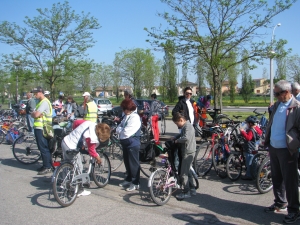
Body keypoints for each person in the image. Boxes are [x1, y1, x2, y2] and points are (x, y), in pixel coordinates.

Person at [264, 80, 300, 224]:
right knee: (276, 177)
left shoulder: (297, 107)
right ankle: (280, 202)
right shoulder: (278, 105)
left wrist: (295, 143)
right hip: (274, 147)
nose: (276, 96)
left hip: (287, 149)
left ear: (286, 92)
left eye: (277, 93)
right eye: (275, 93)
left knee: (290, 181)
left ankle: (294, 210)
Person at [61, 119, 110, 196]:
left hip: (65, 141)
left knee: (67, 165)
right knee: (79, 168)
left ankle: (65, 184)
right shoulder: (92, 137)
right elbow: (91, 151)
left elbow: (76, 122)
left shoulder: (90, 123)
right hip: (71, 146)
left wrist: (77, 134)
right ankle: (79, 190)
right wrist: (98, 158)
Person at [116, 99, 141, 192]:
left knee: (133, 164)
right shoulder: (127, 116)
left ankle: (135, 182)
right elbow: (119, 127)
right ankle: (129, 178)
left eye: (124, 109)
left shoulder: (135, 117)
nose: (123, 111)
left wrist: (120, 130)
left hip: (132, 144)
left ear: (129, 108)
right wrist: (120, 130)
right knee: (127, 163)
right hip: (125, 143)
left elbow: (126, 132)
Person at [172, 112, 197, 200]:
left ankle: (187, 192)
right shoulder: (186, 126)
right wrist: (176, 137)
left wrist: (177, 141)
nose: (177, 125)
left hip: (188, 152)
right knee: (188, 172)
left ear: (181, 120)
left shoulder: (188, 127)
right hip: (188, 151)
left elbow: (186, 137)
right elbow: (183, 134)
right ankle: (192, 188)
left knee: (183, 173)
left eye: (177, 123)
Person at [30, 86, 53, 175]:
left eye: (35, 93)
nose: (35, 95)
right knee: (42, 147)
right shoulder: (41, 102)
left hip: (43, 128)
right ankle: (46, 165)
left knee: (43, 147)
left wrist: (34, 114)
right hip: (41, 127)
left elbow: (36, 114)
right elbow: (34, 113)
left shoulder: (44, 102)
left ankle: (47, 166)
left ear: (40, 92)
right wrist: (34, 114)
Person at [239, 116, 262, 180]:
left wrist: (242, 132)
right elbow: (260, 133)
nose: (246, 124)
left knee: (249, 162)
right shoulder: (257, 128)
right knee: (254, 162)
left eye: (247, 123)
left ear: (250, 123)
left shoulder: (251, 130)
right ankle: (254, 174)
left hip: (250, 148)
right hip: (255, 147)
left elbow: (248, 138)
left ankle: (249, 175)